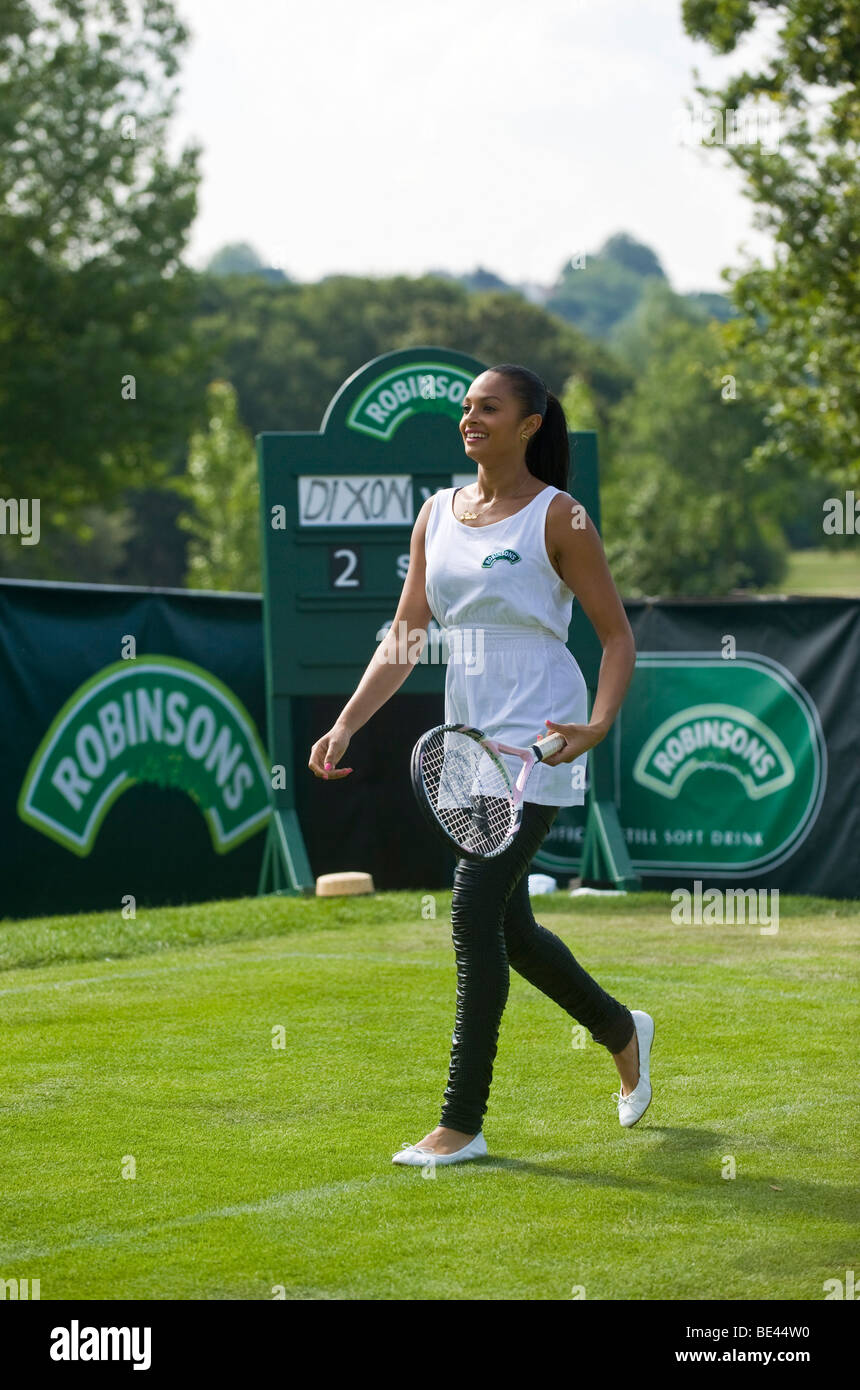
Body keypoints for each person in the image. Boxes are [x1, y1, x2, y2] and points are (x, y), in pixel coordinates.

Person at [308, 363, 654, 1168]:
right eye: (466, 408)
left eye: (488, 408)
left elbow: (615, 637)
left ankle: (460, 1124)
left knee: (470, 913)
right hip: (466, 746)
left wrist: (599, 724)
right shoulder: (436, 515)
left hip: (540, 742)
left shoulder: (561, 518)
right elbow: (405, 634)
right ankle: (619, 1028)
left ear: (529, 424)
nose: (471, 419)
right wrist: (348, 722)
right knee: (510, 926)